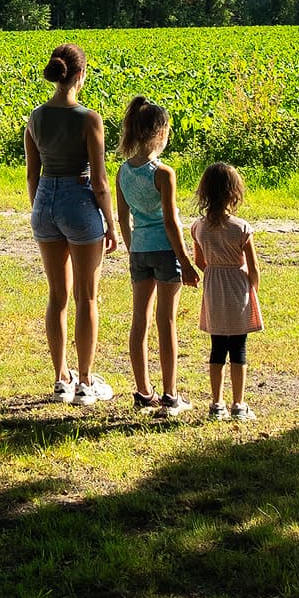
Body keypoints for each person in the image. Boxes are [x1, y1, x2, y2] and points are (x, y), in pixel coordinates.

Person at [23, 42, 114, 403]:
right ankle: (86, 382)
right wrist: (110, 222)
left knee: (57, 296)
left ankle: (61, 378)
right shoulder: (89, 119)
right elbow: (101, 181)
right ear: (80, 75)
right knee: (87, 297)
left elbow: (33, 174)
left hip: (45, 202)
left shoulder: (35, 117)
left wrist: (41, 209)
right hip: (79, 202)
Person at [112, 97, 198, 414]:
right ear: (160, 133)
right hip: (165, 251)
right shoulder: (163, 173)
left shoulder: (122, 172)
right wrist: (186, 261)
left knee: (140, 322)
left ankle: (143, 393)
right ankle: (171, 395)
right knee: (167, 322)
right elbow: (172, 222)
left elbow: (123, 218)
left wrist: (133, 247)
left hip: (140, 251)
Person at [191, 161, 264, 420]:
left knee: (217, 348)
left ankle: (216, 403)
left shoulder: (198, 227)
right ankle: (238, 404)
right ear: (234, 193)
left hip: (214, 288)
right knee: (239, 349)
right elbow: (253, 268)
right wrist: (251, 287)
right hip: (237, 287)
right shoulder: (242, 228)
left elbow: (199, 262)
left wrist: (214, 268)